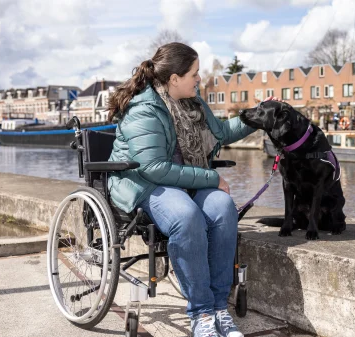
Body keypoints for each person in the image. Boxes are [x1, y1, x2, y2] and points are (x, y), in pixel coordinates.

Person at [107, 42, 262, 337]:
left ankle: (218, 307)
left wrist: (259, 115)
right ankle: (201, 312)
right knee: (187, 216)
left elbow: (222, 132)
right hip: (145, 183)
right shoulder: (144, 108)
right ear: (174, 78)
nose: (199, 79)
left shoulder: (193, 102)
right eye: (194, 73)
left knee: (222, 207)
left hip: (183, 179)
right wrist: (211, 178)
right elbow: (152, 168)